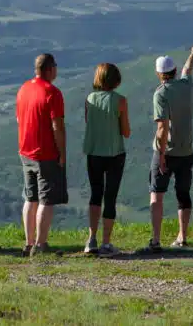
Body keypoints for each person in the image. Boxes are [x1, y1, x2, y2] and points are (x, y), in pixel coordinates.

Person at [140, 43, 193, 253]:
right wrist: (192, 55)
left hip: (166, 152)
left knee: (156, 194)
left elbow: (162, 127)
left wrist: (160, 156)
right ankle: (182, 237)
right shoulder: (186, 86)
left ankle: (156, 239)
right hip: (186, 151)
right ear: (174, 72)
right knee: (183, 193)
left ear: (159, 74)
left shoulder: (160, 94)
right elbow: (188, 70)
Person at [16, 52, 67, 257]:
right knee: (46, 199)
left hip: (25, 150)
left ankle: (29, 243)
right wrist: (62, 153)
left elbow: (19, 120)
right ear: (50, 70)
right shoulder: (52, 93)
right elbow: (58, 127)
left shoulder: (24, 88)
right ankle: (41, 244)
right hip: (45, 153)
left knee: (30, 197)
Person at [82, 62, 131, 255]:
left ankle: (91, 239)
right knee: (110, 197)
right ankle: (106, 243)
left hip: (93, 152)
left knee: (95, 195)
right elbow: (126, 132)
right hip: (114, 153)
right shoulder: (120, 101)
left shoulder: (89, 99)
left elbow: (89, 122)